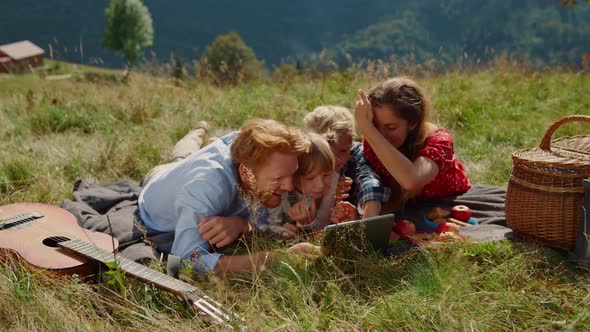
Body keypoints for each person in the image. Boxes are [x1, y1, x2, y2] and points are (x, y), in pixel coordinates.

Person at [138, 118, 311, 273]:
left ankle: (200, 138)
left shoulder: (254, 151)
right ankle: (197, 131)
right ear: (245, 172)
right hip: (160, 181)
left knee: (187, 158)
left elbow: (262, 218)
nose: (289, 186)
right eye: (278, 178)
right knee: (180, 158)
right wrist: (274, 259)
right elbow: (185, 261)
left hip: (199, 172)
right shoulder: (204, 187)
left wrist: (244, 225)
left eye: (292, 175)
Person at [354, 76, 471, 210]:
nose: (381, 136)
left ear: (413, 122)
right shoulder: (372, 140)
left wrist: (369, 130)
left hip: (447, 204)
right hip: (405, 210)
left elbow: (411, 180)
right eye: (375, 126)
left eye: (391, 127)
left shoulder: (439, 141)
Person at [303, 105, 392, 222]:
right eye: (328, 152)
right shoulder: (304, 155)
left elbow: (368, 179)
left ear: (351, 143)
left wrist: (371, 210)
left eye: (343, 151)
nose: (336, 159)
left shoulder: (356, 154)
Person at [264, 132, 337, 238]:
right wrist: (280, 231)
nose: (321, 185)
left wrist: (306, 224)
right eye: (310, 178)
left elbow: (323, 225)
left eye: (326, 175)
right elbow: (270, 224)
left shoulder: (333, 182)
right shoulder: (280, 191)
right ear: (293, 175)